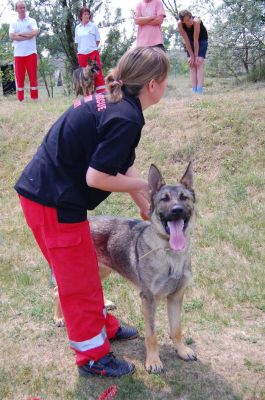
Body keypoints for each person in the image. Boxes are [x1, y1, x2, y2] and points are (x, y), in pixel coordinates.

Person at [15, 46, 169, 378]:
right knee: (79, 282)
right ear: (154, 84)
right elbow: (96, 177)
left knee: (86, 268)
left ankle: (104, 326)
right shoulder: (126, 116)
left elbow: (122, 170)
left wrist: (147, 209)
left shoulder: (119, 106)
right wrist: (148, 184)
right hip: (51, 200)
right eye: (166, 79)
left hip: (51, 194)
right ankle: (93, 357)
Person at [9, 1, 38, 101]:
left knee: (33, 76)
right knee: (19, 77)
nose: (22, 9)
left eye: (24, 7)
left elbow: (35, 32)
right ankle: (20, 99)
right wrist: (27, 35)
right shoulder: (13, 22)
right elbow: (12, 36)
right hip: (18, 54)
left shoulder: (31, 20)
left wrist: (19, 35)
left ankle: (34, 98)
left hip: (31, 53)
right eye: (20, 8)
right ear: (16, 9)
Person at [75, 7, 105, 93]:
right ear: (81, 16)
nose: (87, 16)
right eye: (85, 14)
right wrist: (82, 51)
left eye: (88, 14)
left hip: (93, 53)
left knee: (97, 74)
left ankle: (101, 93)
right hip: (81, 54)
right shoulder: (77, 28)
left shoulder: (93, 26)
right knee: (85, 75)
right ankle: (88, 97)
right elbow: (77, 42)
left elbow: (98, 40)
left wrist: (92, 49)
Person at [177, 10, 208, 94]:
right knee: (192, 64)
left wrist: (196, 56)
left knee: (198, 63)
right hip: (190, 41)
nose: (190, 21)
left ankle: (199, 90)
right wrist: (191, 56)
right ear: (182, 21)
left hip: (201, 40)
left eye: (190, 18)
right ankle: (194, 90)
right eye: (187, 20)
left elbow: (196, 40)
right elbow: (186, 41)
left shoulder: (196, 21)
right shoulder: (179, 24)